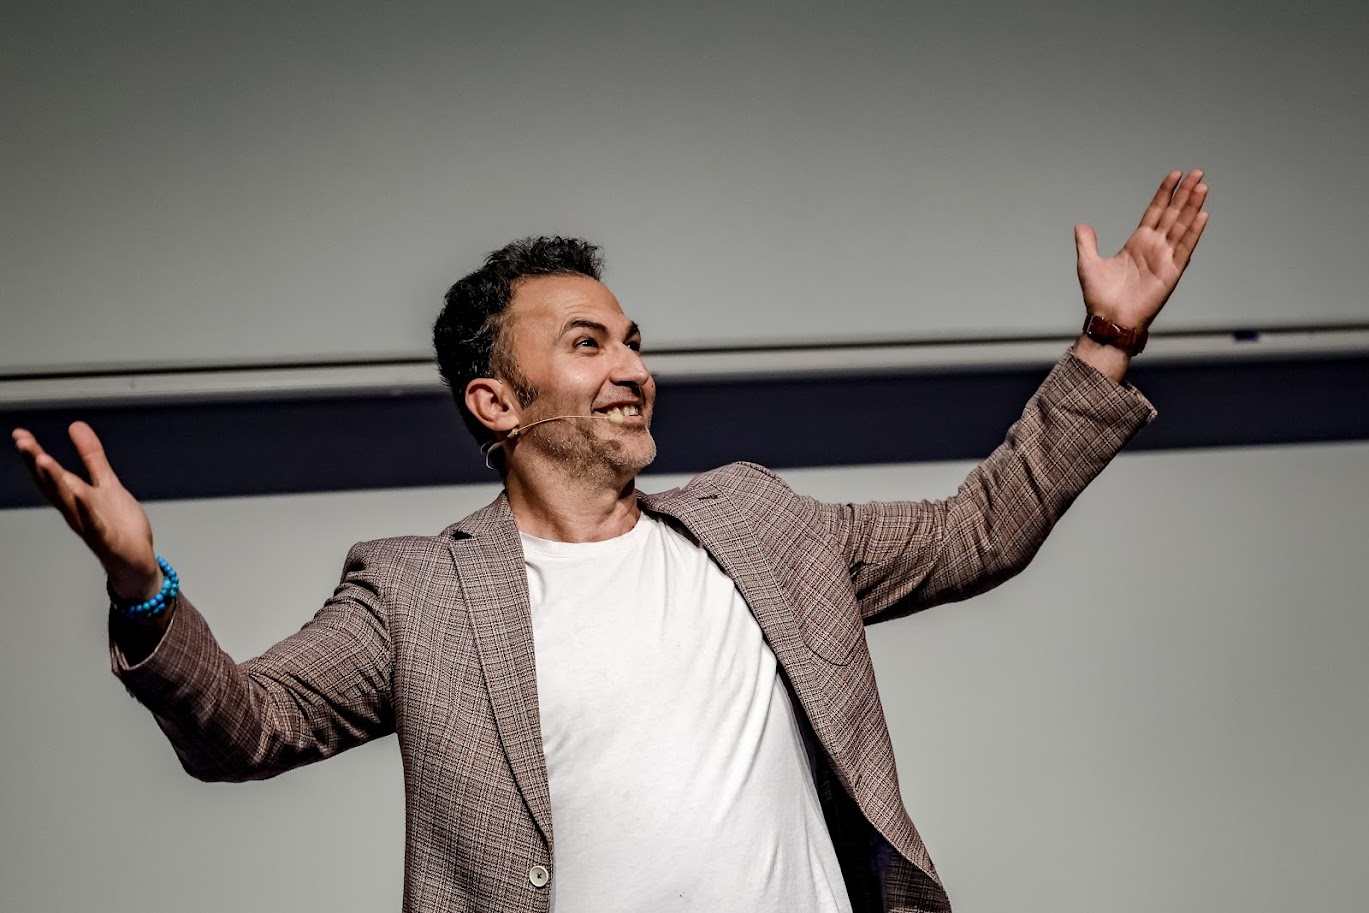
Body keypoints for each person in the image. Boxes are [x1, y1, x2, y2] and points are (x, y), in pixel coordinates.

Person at [11, 170, 1209, 913]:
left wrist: (1105, 343)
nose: (633, 367)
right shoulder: (417, 593)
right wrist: (142, 585)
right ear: (496, 402)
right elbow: (244, 726)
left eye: (631, 340)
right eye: (587, 345)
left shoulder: (755, 525)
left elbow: (978, 529)